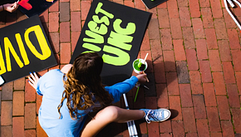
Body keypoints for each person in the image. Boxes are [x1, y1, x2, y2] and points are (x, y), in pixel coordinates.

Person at [28, 52, 171, 137]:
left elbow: (41, 89)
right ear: (95, 77)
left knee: (66, 67)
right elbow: (117, 91)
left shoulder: (53, 75)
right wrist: (135, 79)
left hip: (45, 121)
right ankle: (145, 114)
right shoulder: (93, 96)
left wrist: (39, 86)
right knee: (112, 112)